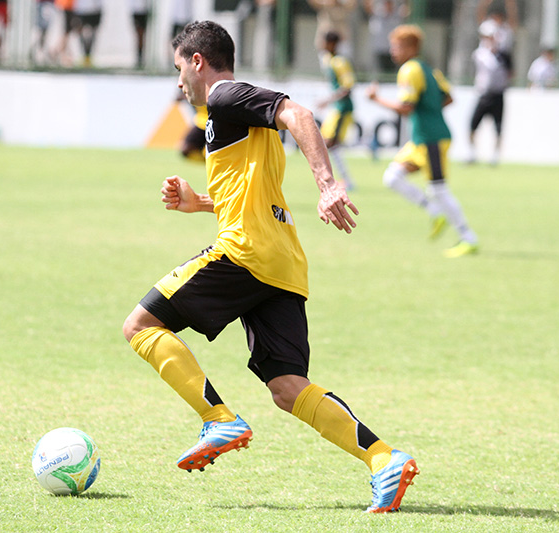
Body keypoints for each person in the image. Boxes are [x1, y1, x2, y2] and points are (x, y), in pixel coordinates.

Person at [122, 20, 419, 514]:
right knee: (287, 387)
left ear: (198, 61)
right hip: (280, 260)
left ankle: (218, 418)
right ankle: (384, 459)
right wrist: (199, 204)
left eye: (180, 69)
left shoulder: (224, 96)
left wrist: (327, 183)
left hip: (246, 253)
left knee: (140, 325)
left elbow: (299, 114)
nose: (179, 83)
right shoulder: (228, 114)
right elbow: (248, 194)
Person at [366, 24, 479, 258]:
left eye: (396, 46)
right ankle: (434, 210)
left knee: (439, 189)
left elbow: (406, 108)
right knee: (392, 177)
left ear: (411, 47)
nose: (392, 51)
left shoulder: (409, 70)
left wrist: (376, 99)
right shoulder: (429, 69)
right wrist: (429, 110)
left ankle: (468, 238)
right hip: (423, 139)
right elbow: (448, 98)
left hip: (431, 139)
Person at [316, 31, 356, 190]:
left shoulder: (340, 62)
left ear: (331, 44)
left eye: (324, 42)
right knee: (327, 142)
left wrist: (327, 100)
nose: (322, 45)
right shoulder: (329, 60)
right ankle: (343, 180)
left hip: (343, 108)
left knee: (331, 143)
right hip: (337, 108)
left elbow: (348, 87)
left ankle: (346, 181)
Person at [467, 20, 511, 166]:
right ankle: (472, 154)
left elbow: (510, 72)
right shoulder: (480, 54)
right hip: (484, 94)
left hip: (498, 95)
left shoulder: (504, 55)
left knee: (498, 127)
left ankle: (495, 156)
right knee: (473, 125)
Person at [363, 0, 409, 76]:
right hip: (379, 49)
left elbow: (407, 9)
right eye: (386, 3)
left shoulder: (398, 14)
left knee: (393, 73)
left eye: (389, 3)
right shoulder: (377, 13)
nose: (388, 5)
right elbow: (368, 6)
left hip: (393, 50)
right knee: (379, 73)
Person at [73, 0, 100, 67]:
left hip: (95, 9)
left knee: (92, 35)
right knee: (81, 34)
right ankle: (84, 56)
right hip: (81, 9)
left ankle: (88, 57)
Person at [33, 0, 56, 65]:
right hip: (42, 4)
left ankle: (45, 53)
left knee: (48, 31)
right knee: (39, 30)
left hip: (50, 4)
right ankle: (39, 52)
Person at [131, 0, 149, 68]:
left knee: (142, 35)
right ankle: (139, 56)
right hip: (136, 10)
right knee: (139, 34)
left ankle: (141, 56)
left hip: (144, 10)